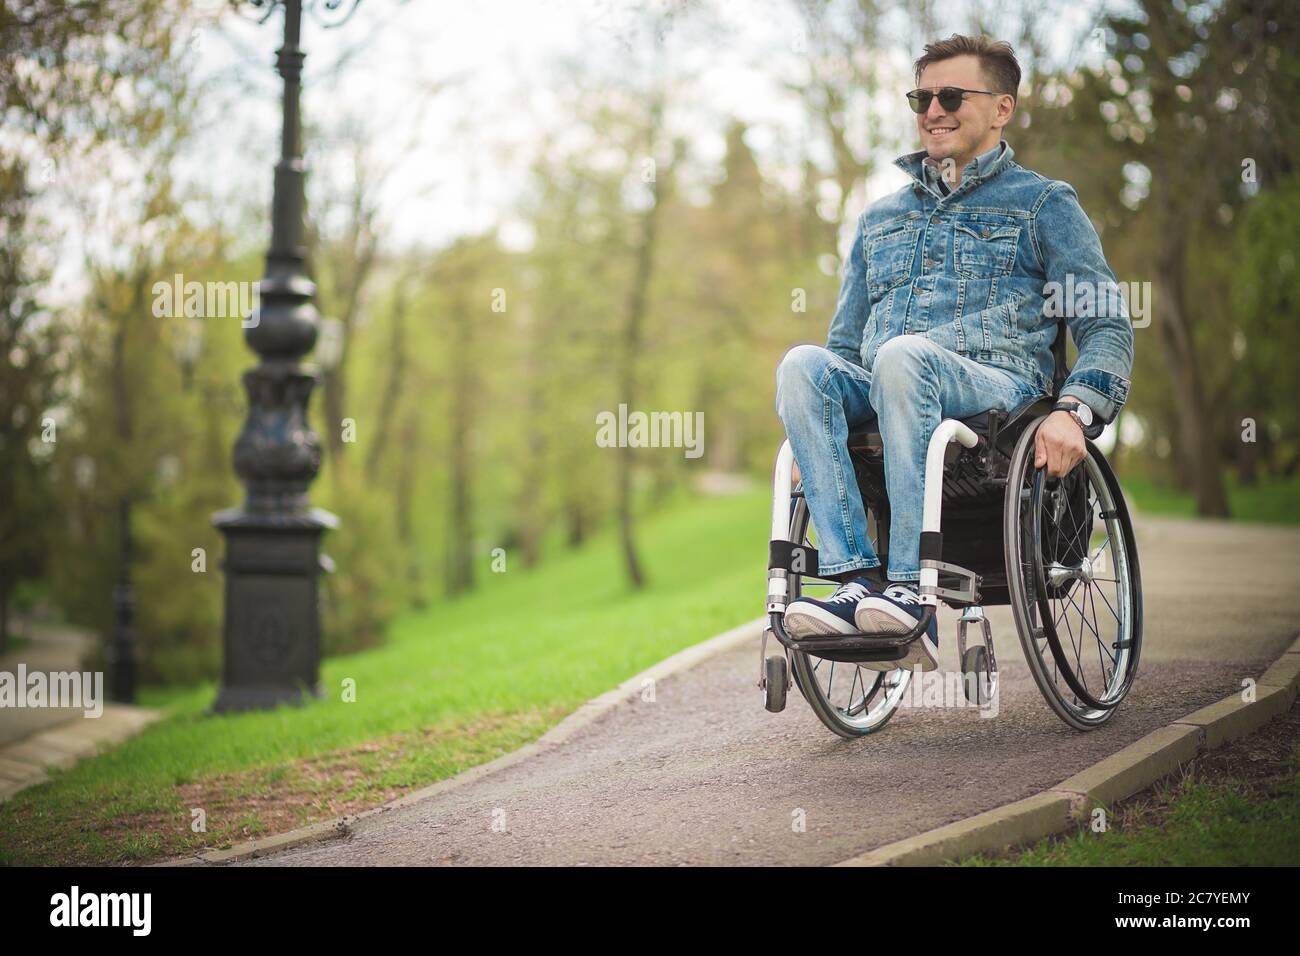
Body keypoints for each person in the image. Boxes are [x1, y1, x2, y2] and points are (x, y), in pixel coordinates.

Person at [775, 34, 1134, 670]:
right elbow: (843, 347)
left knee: (904, 356)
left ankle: (912, 589)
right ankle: (859, 580)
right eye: (922, 97)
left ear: (1001, 108)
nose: (933, 110)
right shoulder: (879, 219)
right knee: (802, 364)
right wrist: (816, 436)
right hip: (891, 382)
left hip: (998, 389)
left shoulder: (1044, 204)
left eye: (950, 96)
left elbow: (1105, 322)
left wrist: (1076, 412)